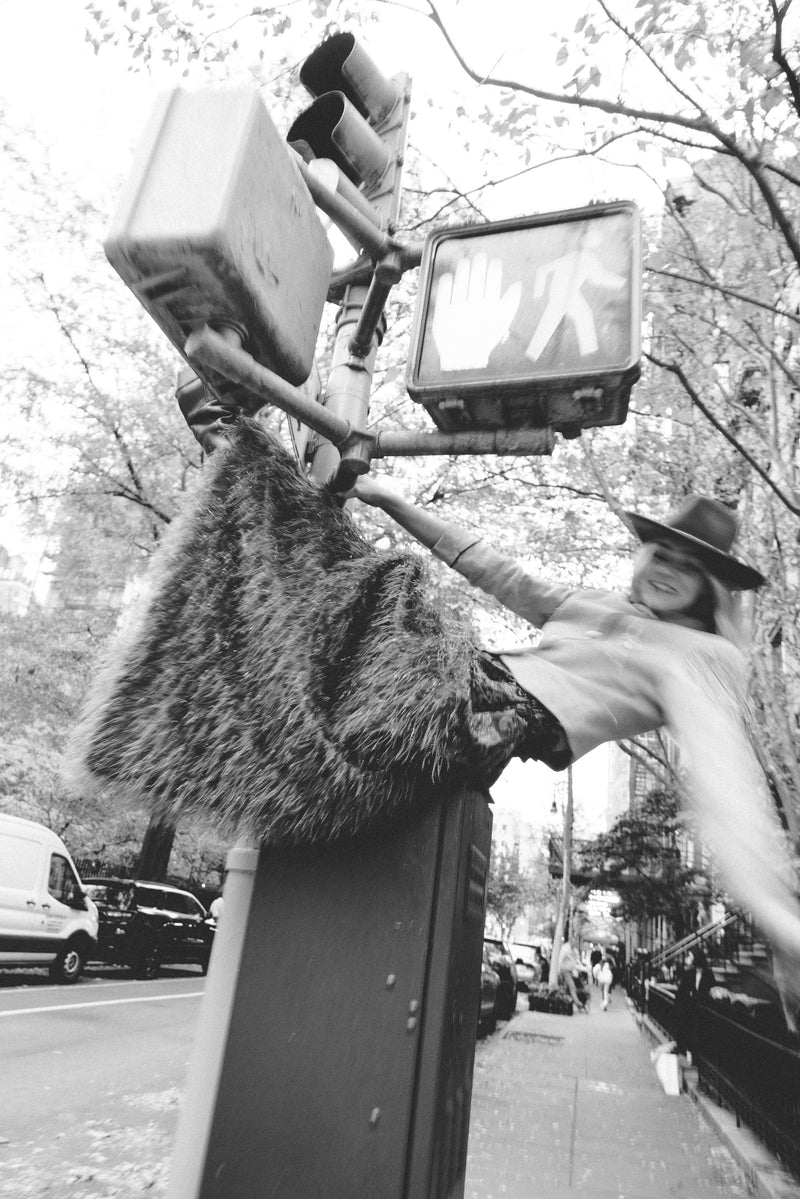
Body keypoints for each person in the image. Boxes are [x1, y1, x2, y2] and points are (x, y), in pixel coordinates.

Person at [347, 479, 800, 998]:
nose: (666, 570)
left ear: (711, 587)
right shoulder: (598, 605)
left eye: (688, 566)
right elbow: (499, 572)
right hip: (469, 679)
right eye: (661, 554)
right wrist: (398, 505)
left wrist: (774, 913)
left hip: (490, 716)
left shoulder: (705, 657)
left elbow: (727, 781)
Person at [673, 946, 716, 1064]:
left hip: (701, 1013)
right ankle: (686, 1055)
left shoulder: (708, 975)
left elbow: (710, 992)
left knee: (698, 1040)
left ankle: (696, 1062)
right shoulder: (688, 974)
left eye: (691, 956)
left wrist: (695, 995)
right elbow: (681, 993)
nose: (688, 959)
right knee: (688, 1037)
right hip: (689, 1012)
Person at [558, 937, 587, 1012]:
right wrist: (559, 970)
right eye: (574, 942)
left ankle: (572, 1002)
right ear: (570, 941)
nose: (575, 944)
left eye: (575, 943)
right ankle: (577, 1003)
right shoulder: (565, 949)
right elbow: (560, 959)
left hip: (572, 971)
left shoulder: (574, 950)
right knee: (572, 987)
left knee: (570, 988)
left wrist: (580, 968)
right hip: (565, 970)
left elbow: (576, 961)